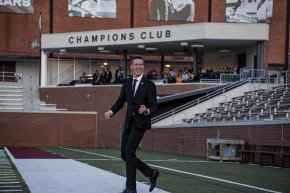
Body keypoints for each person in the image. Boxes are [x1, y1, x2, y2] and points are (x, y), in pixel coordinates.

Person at [104, 55, 160, 193]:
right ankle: (151, 173)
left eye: (141, 64)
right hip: (128, 121)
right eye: (136, 64)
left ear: (143, 66)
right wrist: (111, 112)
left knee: (129, 151)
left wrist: (146, 110)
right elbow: (120, 101)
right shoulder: (127, 83)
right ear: (131, 67)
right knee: (124, 154)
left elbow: (154, 106)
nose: (138, 67)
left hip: (141, 122)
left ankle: (131, 188)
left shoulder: (149, 85)